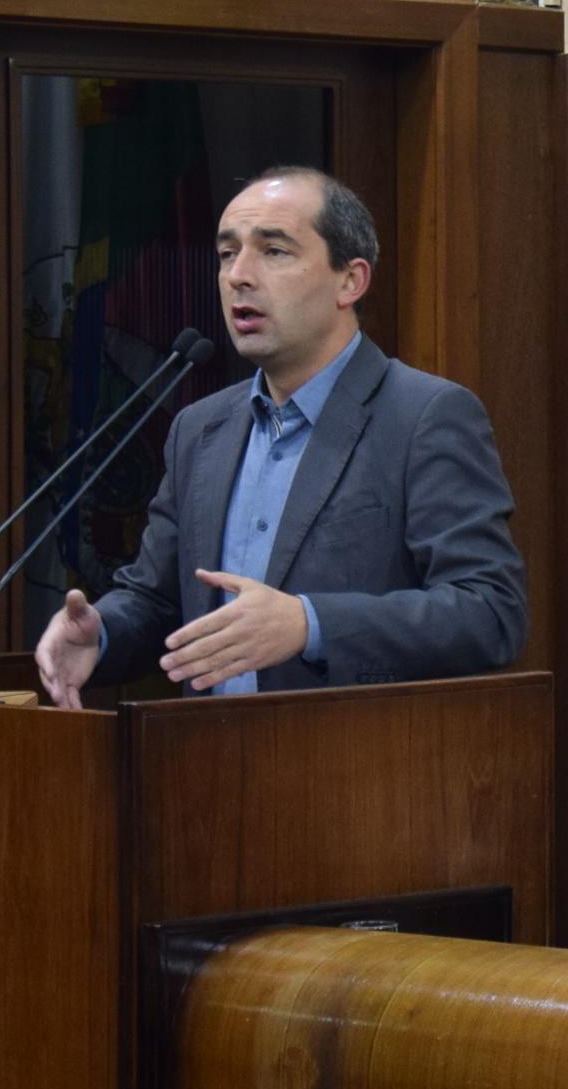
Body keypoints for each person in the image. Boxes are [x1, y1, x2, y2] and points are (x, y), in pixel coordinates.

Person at [34, 166, 527, 704]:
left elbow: (490, 612)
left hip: (359, 769)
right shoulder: (200, 430)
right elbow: (157, 600)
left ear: (350, 281)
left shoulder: (425, 417)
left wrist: (308, 623)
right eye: (227, 254)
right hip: (204, 762)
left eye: (274, 251)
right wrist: (100, 634)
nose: (239, 275)